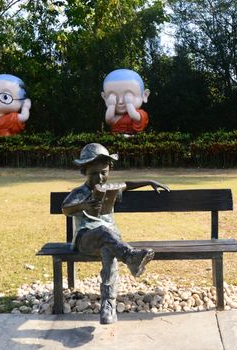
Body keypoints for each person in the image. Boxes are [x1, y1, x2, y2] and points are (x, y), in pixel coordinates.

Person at [62, 143, 169, 324]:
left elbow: (127, 185)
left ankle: (108, 306)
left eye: (104, 172)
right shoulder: (79, 193)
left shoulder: (110, 189)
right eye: (94, 173)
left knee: (108, 249)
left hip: (110, 242)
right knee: (105, 232)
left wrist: (148, 182)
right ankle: (131, 257)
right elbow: (65, 208)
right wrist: (83, 205)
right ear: (84, 172)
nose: (100, 177)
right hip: (86, 240)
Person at [101, 69, 150, 136]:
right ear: (105, 98)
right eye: (114, 97)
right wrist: (111, 105)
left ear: (145, 96)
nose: (120, 101)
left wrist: (129, 103)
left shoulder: (141, 114)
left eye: (129, 95)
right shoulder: (115, 116)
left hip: (134, 138)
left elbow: (134, 116)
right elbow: (109, 120)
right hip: (116, 139)